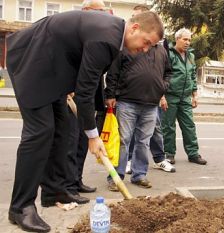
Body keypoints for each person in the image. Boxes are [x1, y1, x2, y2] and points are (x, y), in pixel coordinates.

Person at [6, 10, 163, 232]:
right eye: (146, 42)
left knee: (63, 127)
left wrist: (90, 126)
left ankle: (53, 191)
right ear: (135, 28)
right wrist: (93, 135)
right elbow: (85, 89)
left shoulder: (114, 36)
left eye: (151, 47)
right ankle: (20, 207)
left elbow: (92, 77)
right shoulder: (106, 37)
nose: (145, 50)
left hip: (52, 72)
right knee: (40, 131)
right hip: (32, 63)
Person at [105, 9, 173, 191]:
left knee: (143, 142)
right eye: (149, 41)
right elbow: (113, 71)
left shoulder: (161, 51)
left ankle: (139, 175)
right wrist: (110, 95)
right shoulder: (128, 46)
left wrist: (162, 88)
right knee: (123, 140)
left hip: (151, 104)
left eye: (154, 42)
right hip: (127, 102)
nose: (148, 46)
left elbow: (168, 73)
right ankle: (115, 177)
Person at [65, 0, 108, 199]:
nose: (103, 16)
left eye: (105, 12)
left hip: (87, 100)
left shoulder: (96, 36)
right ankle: (68, 187)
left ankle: (77, 180)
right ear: (86, 11)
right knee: (71, 143)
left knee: (84, 142)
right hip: (72, 97)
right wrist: (68, 88)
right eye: (99, 12)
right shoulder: (73, 34)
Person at [161, 28, 207, 165]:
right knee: (168, 126)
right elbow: (161, 75)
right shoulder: (168, 54)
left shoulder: (190, 56)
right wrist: (161, 96)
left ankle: (193, 154)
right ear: (177, 39)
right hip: (170, 96)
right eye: (185, 39)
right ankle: (169, 154)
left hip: (185, 97)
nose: (188, 42)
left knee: (189, 126)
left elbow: (192, 76)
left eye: (189, 40)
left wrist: (195, 95)